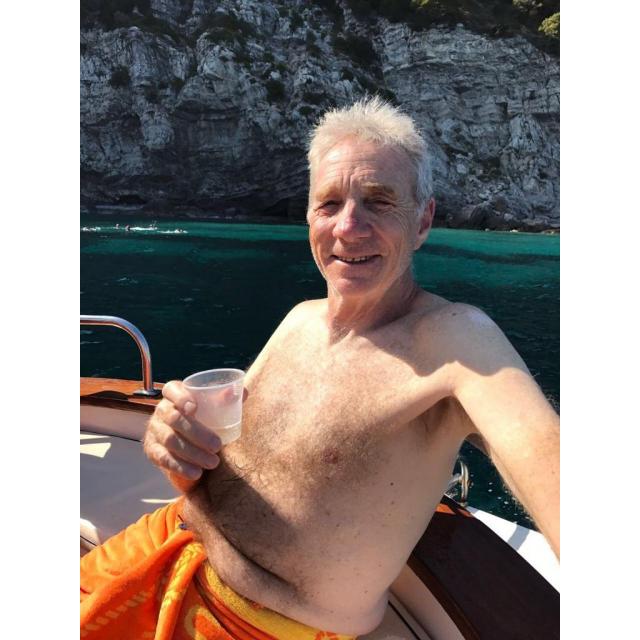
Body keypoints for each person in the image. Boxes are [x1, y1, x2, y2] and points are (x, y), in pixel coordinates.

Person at [81, 97, 559, 638]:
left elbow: (545, 453)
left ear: (422, 221)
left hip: (251, 627)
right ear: (309, 216)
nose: (349, 227)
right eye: (329, 203)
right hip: (161, 544)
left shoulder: (455, 340)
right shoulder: (299, 320)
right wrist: (171, 441)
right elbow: (223, 467)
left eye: (379, 202)